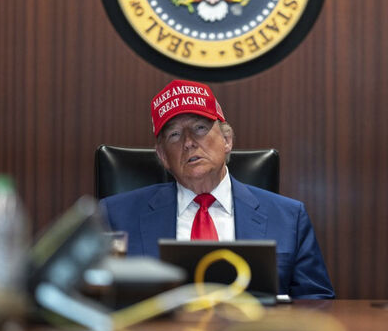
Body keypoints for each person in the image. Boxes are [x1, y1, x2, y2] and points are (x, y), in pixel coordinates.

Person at [101, 79, 334, 299]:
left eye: (200, 128)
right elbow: (96, 301)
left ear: (227, 140)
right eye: (174, 134)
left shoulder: (289, 218)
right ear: (162, 157)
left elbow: (318, 304)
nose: (189, 142)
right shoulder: (116, 216)